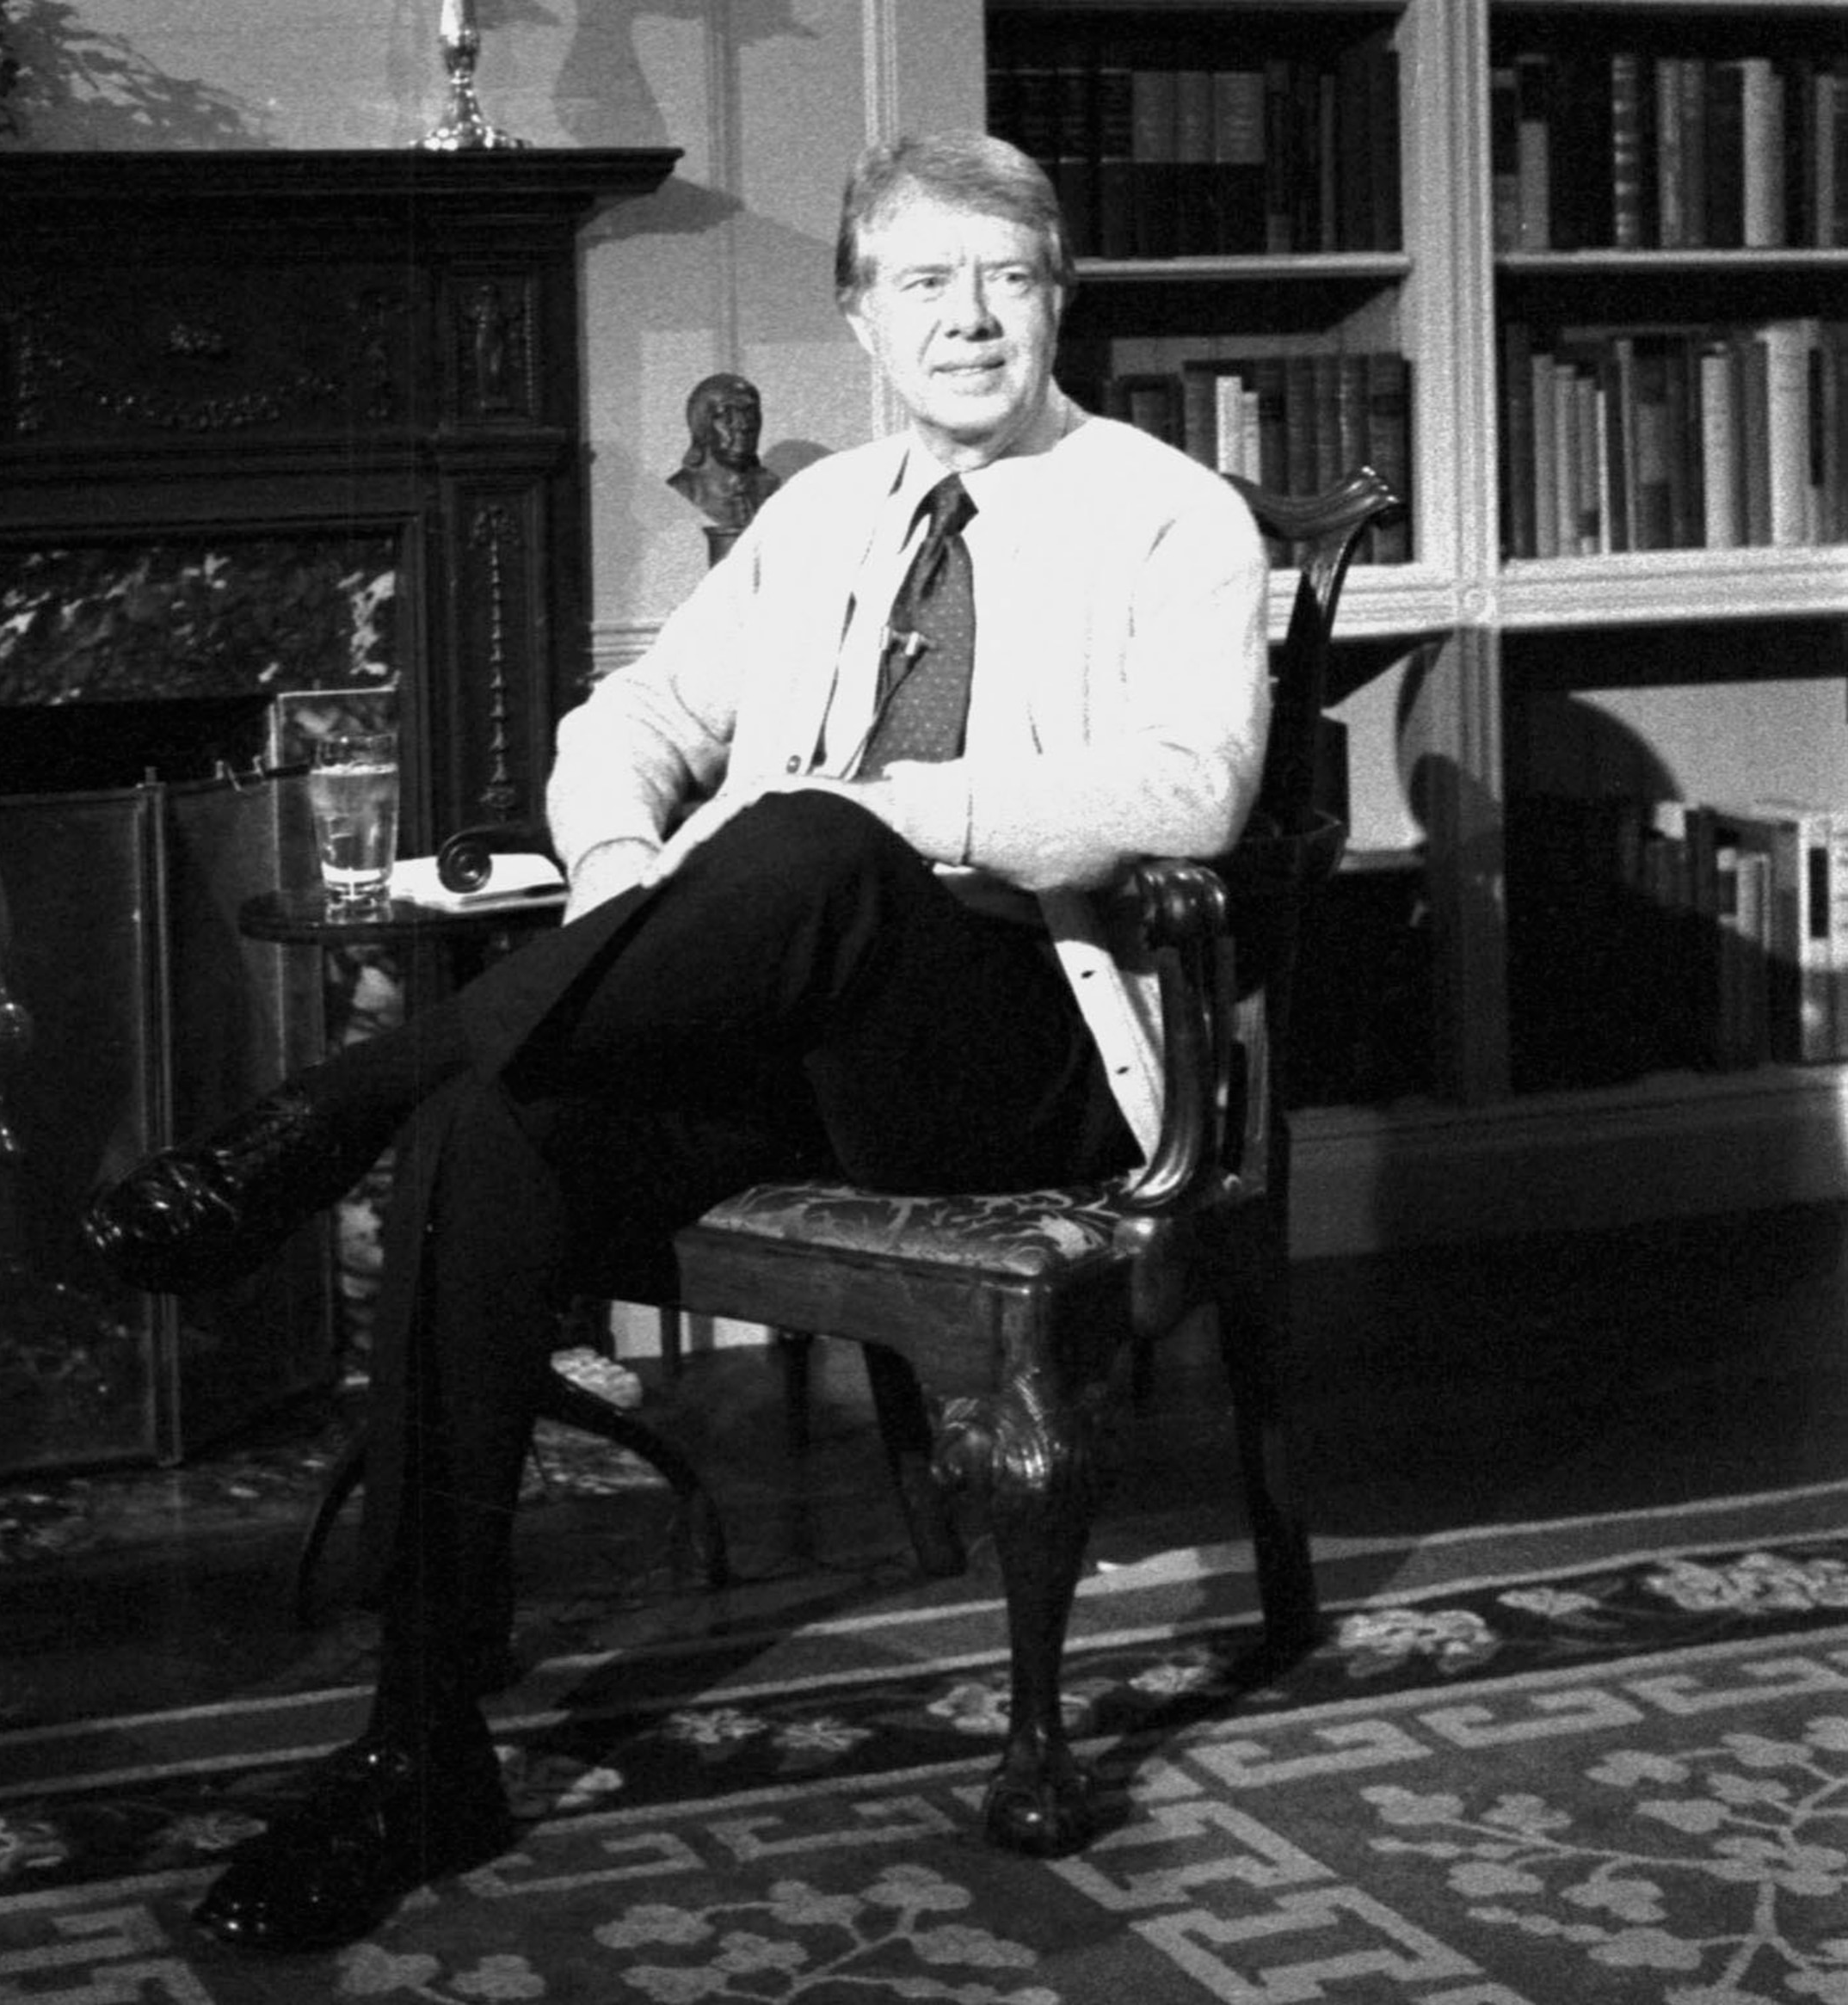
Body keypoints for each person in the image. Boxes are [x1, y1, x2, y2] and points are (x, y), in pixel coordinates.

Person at [82, 128, 1268, 1955]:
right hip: (794, 1032)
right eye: (924, 281)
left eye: (1004, 279)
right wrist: (627, 873)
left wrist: (891, 814)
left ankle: (320, 1115)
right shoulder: (819, 515)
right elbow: (628, 717)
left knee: (808, 837)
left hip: (1021, 1042)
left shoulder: (1167, 510)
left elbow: (1195, 791)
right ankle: (418, 1743)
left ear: (1058, 302)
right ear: (859, 318)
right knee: (491, 1127)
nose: (966, 318)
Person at [665, 370, 783, 530]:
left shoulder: (771, 488)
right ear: (702, 425)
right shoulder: (680, 493)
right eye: (727, 415)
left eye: (751, 413)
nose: (744, 425)